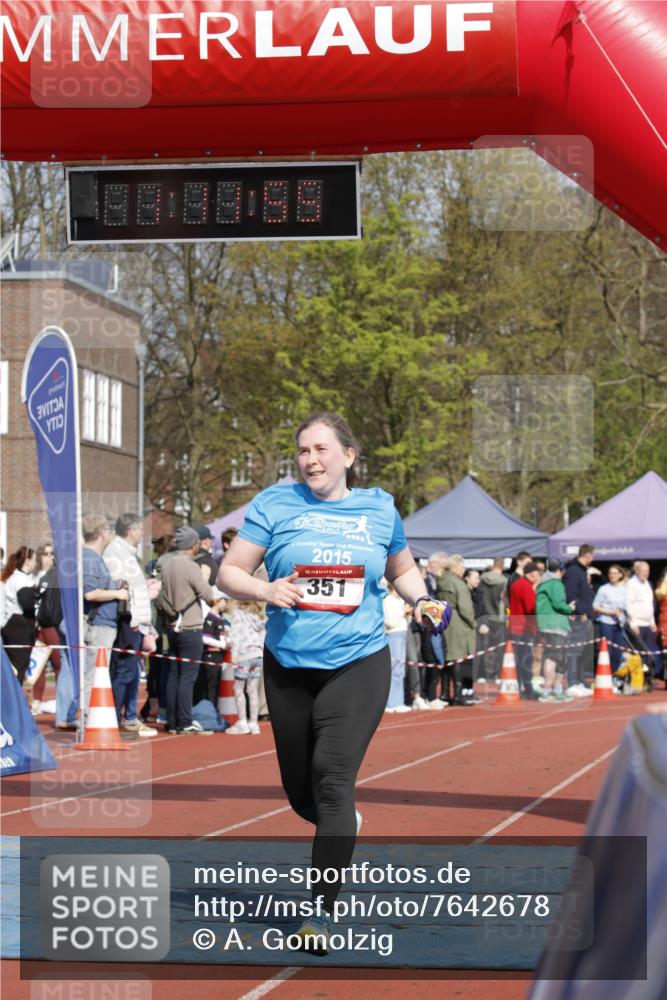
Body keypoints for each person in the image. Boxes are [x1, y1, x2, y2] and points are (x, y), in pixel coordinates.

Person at [217, 411, 449, 952]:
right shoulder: (276, 503)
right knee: (303, 796)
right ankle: (341, 821)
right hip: (289, 665)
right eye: (303, 451)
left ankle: (319, 912)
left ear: (349, 455)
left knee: (332, 777)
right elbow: (228, 572)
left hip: (358, 661)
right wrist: (265, 589)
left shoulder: (378, 506)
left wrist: (422, 599)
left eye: (321, 449)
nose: (311, 460)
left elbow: (401, 568)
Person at [104, 513, 157, 737]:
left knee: (131, 673)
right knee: (123, 671)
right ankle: (116, 718)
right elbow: (122, 588)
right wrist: (135, 619)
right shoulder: (116, 554)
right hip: (128, 623)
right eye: (140, 530)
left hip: (135, 622)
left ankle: (128, 716)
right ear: (131, 531)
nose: (142, 534)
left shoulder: (126, 554)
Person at [160, 526, 216, 734]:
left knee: (174, 674)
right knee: (187, 676)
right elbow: (206, 592)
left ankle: (173, 721)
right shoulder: (191, 566)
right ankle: (185, 721)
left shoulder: (166, 565)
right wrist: (205, 576)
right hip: (190, 625)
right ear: (193, 546)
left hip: (172, 624)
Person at [82, 516, 129, 717]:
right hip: (99, 625)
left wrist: (114, 585)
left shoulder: (92, 558)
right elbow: (90, 593)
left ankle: (90, 715)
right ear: (102, 533)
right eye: (109, 531)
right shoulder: (90, 558)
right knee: (95, 673)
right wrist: (117, 594)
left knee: (97, 673)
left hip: (103, 624)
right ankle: (88, 716)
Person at [436, 555, 475, 705]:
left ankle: (445, 693)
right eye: (462, 567)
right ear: (456, 567)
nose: (463, 570)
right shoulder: (458, 583)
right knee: (457, 657)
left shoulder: (442, 579)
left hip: (443, 619)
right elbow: (465, 608)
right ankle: (458, 694)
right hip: (458, 622)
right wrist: (473, 623)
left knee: (447, 658)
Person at [536, 560, 576, 702]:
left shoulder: (544, 583)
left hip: (550, 624)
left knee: (559, 657)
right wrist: (570, 608)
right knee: (554, 656)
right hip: (555, 624)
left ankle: (557, 689)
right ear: (561, 570)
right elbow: (559, 604)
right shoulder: (556, 583)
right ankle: (548, 690)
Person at [225, 599, 266, 734]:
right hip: (257, 654)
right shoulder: (257, 616)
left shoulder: (238, 614)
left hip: (244, 655)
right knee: (252, 690)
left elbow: (236, 635)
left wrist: (234, 656)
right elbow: (262, 634)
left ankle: (242, 721)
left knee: (238, 688)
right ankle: (253, 723)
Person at [563, 544, 596, 690]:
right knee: (574, 651)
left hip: (585, 617)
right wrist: (581, 612)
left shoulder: (581, 571)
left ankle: (580, 679)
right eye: (592, 555)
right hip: (578, 618)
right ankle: (572, 681)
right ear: (587, 555)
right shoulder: (573, 571)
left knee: (582, 650)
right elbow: (570, 595)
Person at [507, 560, 541, 699]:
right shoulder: (526, 587)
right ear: (532, 574)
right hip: (524, 628)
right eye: (538, 574)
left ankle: (522, 687)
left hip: (515, 626)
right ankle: (526, 688)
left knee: (518, 659)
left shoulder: (516, 584)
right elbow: (531, 608)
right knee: (524, 659)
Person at [626, 560, 660, 682]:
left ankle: (646, 678)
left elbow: (649, 604)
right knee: (639, 653)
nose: (645, 573)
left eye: (647, 571)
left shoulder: (647, 584)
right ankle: (636, 679)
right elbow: (628, 604)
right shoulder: (631, 584)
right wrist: (633, 623)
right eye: (643, 571)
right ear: (637, 571)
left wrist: (652, 622)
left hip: (647, 624)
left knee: (647, 654)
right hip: (637, 625)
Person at [593, 564, 627, 672]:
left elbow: (627, 605)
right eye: (610, 573)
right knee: (608, 650)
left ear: (620, 575)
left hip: (619, 623)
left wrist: (622, 613)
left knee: (618, 651)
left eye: (615, 573)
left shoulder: (624, 589)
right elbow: (595, 606)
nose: (612, 575)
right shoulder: (604, 589)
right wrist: (610, 612)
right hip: (606, 622)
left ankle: (616, 675)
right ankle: (606, 674)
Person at [477, 557, 507, 680]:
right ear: (503, 565)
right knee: (498, 649)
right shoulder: (504, 581)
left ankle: (482, 675)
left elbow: (479, 598)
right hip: (498, 618)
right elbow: (504, 599)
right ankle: (495, 674)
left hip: (484, 617)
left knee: (483, 648)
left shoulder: (482, 579)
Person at [383, 581, 410, 712]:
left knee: (400, 669)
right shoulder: (388, 600)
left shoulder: (399, 600)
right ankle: (392, 703)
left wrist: (407, 614)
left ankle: (398, 701)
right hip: (393, 635)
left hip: (402, 633)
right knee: (394, 668)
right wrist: (403, 612)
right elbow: (389, 622)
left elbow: (401, 620)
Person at [1, 546, 37, 627]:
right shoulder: (20, 580)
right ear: (28, 561)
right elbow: (28, 604)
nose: (36, 563)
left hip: (14, 622)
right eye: (34, 560)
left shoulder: (20, 577)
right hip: (17, 624)